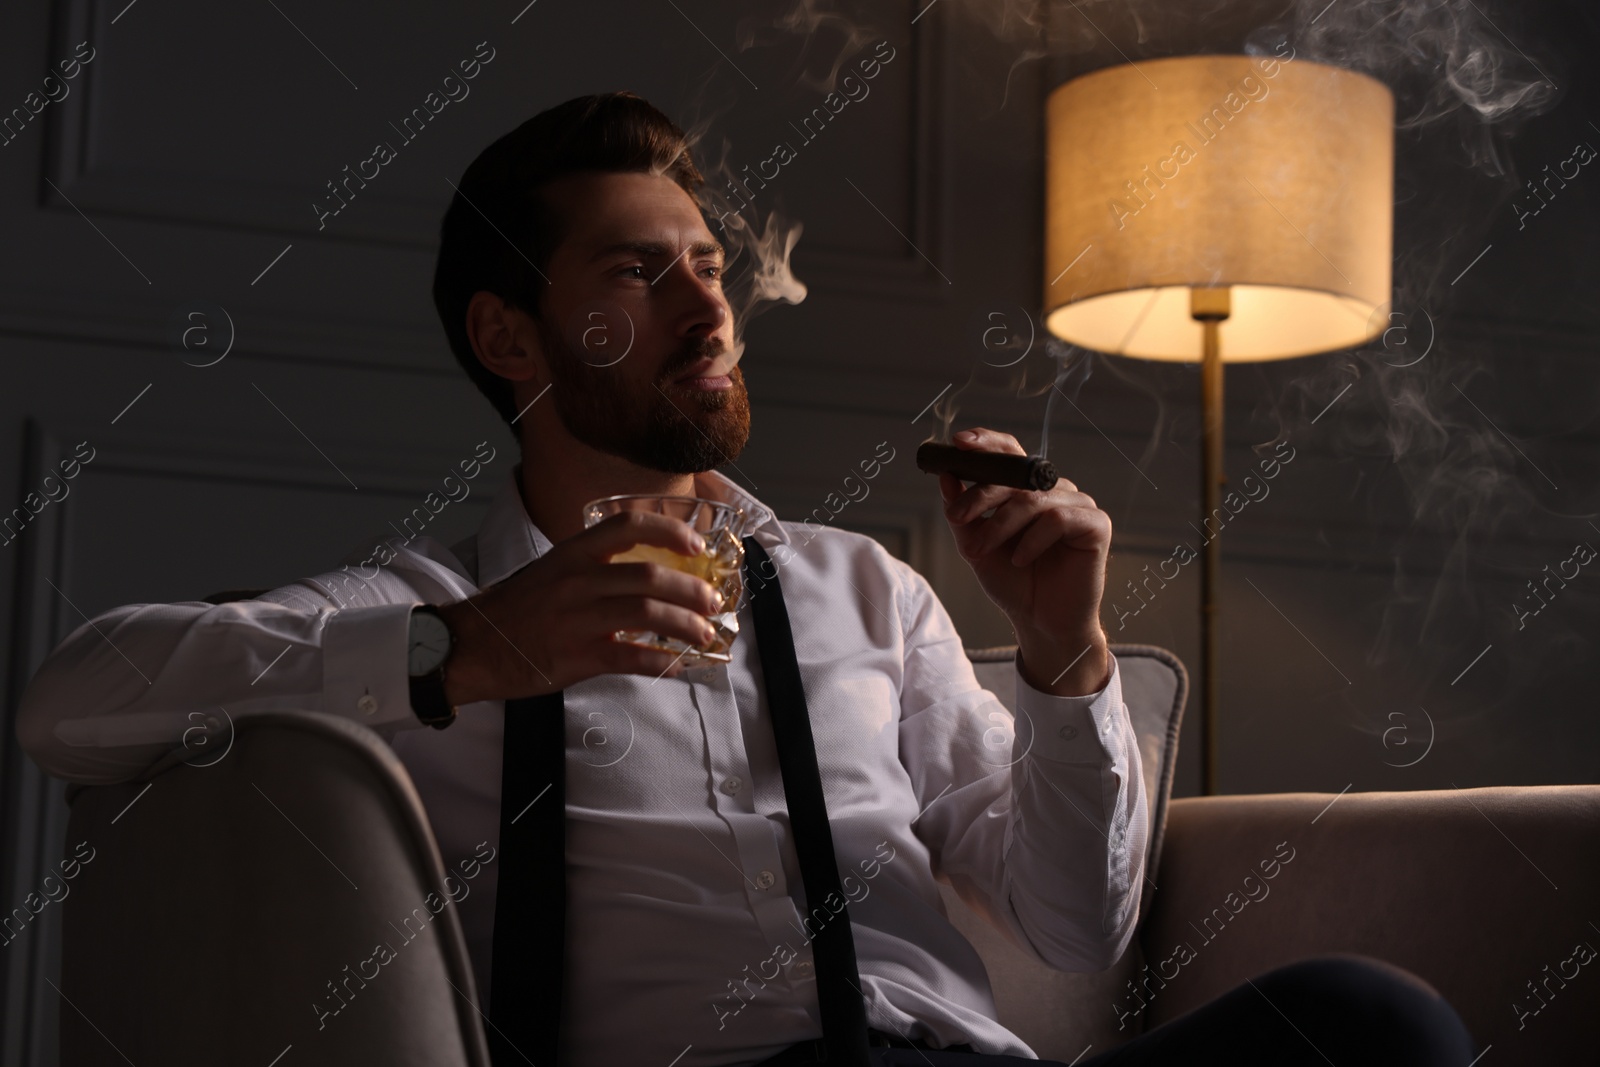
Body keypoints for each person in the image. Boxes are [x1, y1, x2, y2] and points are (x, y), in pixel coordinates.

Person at [16, 92, 1473, 1066]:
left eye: (710, 262)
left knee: (1371, 1021)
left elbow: (1077, 929)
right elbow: (70, 707)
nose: (710, 301)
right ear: (513, 339)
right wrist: (462, 651)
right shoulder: (422, 609)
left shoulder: (867, 594)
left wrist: (1064, 656)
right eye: (639, 273)